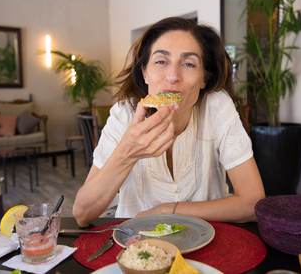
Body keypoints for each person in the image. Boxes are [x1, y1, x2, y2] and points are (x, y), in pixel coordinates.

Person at [73, 17, 265, 227]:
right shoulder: (124, 114)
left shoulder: (216, 106)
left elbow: (253, 203)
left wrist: (167, 211)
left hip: (208, 241)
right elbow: (82, 214)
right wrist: (128, 151)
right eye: (161, 61)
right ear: (145, 72)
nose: (173, 76)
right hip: (136, 245)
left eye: (189, 64)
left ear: (204, 79)